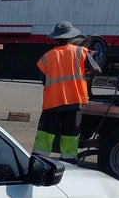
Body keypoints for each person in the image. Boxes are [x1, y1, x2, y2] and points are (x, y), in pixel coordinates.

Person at [33, 21, 101, 163]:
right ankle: (69, 162)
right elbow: (97, 70)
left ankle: (39, 161)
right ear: (72, 37)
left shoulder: (47, 56)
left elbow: (43, 80)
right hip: (74, 102)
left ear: (56, 38)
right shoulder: (81, 52)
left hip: (52, 103)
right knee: (70, 135)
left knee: (45, 134)